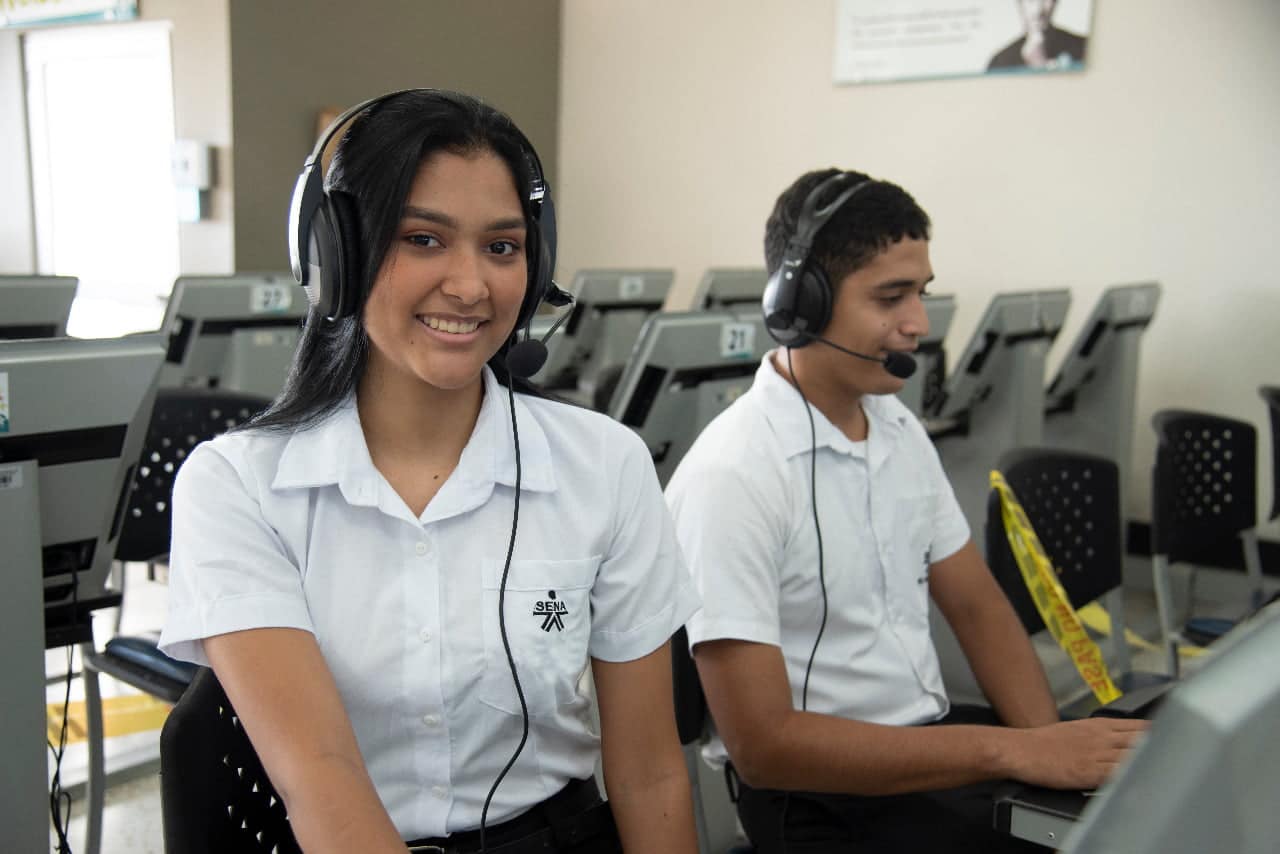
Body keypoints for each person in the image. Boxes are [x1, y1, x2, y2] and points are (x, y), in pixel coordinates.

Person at [158, 89, 699, 854]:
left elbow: (648, 774)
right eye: (422, 239)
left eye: (503, 247)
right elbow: (322, 777)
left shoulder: (605, 464)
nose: (472, 285)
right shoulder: (238, 486)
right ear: (338, 255)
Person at [664, 168, 1146, 853]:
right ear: (800, 306)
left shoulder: (896, 429)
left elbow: (977, 606)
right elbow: (765, 748)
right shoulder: (733, 475)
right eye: (891, 298)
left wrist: (1055, 770)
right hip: (817, 796)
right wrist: (1012, 756)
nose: (919, 323)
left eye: (921, 293)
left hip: (926, 751)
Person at [988, 0, 1088, 71]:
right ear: (1020, 4)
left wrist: (1040, 65)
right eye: (1031, 0)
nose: (1038, 10)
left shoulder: (1084, 47)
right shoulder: (1000, 60)